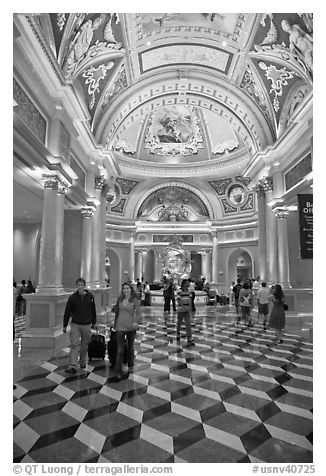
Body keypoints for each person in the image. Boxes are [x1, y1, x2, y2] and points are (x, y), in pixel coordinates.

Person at [63, 277, 97, 373]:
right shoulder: (72, 298)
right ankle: (73, 365)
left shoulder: (90, 297)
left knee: (84, 344)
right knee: (74, 344)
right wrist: (64, 325)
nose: (80, 287)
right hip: (75, 324)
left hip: (86, 324)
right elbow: (67, 312)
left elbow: (93, 310)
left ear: (84, 286)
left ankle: (82, 361)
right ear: (76, 286)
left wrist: (94, 322)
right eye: (78, 285)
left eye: (82, 285)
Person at [114, 282, 140, 381]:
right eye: (124, 288)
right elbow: (117, 312)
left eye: (127, 288)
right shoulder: (120, 299)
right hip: (120, 326)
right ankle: (118, 371)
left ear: (131, 289)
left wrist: (136, 322)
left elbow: (138, 312)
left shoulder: (134, 300)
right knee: (120, 351)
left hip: (131, 327)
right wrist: (115, 324)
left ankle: (131, 365)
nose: (125, 290)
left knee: (130, 347)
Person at [176, 279, 194, 346]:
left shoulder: (189, 292)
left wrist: (190, 307)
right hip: (181, 309)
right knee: (179, 323)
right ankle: (178, 333)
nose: (188, 284)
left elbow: (190, 300)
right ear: (184, 284)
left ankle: (189, 338)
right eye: (187, 283)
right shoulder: (179, 291)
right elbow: (178, 300)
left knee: (188, 323)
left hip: (187, 310)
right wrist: (183, 306)